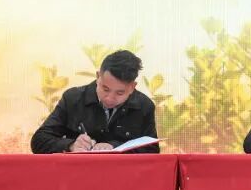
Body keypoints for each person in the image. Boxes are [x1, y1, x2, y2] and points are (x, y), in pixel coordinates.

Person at [30, 50, 159, 154]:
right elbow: (39, 141)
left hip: (122, 176)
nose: (109, 98)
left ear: (132, 87)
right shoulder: (73, 99)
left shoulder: (144, 106)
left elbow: (152, 150)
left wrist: (114, 147)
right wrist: (71, 145)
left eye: (119, 93)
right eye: (105, 89)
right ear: (98, 77)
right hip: (77, 174)